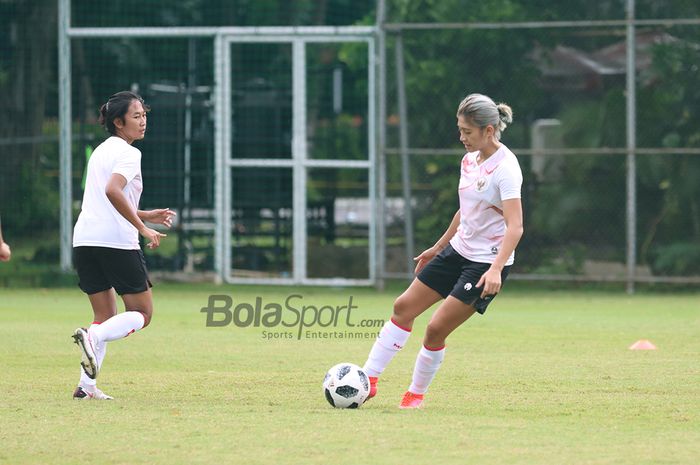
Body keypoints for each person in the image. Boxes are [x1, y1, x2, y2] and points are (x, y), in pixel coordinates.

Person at [363, 93, 524, 409]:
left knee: (435, 329)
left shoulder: (506, 168)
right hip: (457, 251)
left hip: (485, 263)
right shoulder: (469, 160)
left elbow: (515, 226)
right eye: (460, 129)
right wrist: (438, 248)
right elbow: (466, 211)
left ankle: (415, 395)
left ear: (489, 131)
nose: (461, 137)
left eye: (467, 131)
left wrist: (495, 269)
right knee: (403, 307)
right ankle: (368, 379)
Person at [71, 91, 176, 400]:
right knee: (143, 312)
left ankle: (86, 388)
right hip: (116, 243)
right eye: (136, 116)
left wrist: (145, 213)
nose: (143, 122)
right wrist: (142, 226)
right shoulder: (131, 154)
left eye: (144, 115)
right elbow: (113, 190)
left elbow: (108, 199)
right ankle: (93, 337)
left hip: (85, 240)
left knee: (104, 315)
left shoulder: (101, 151)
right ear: (118, 122)